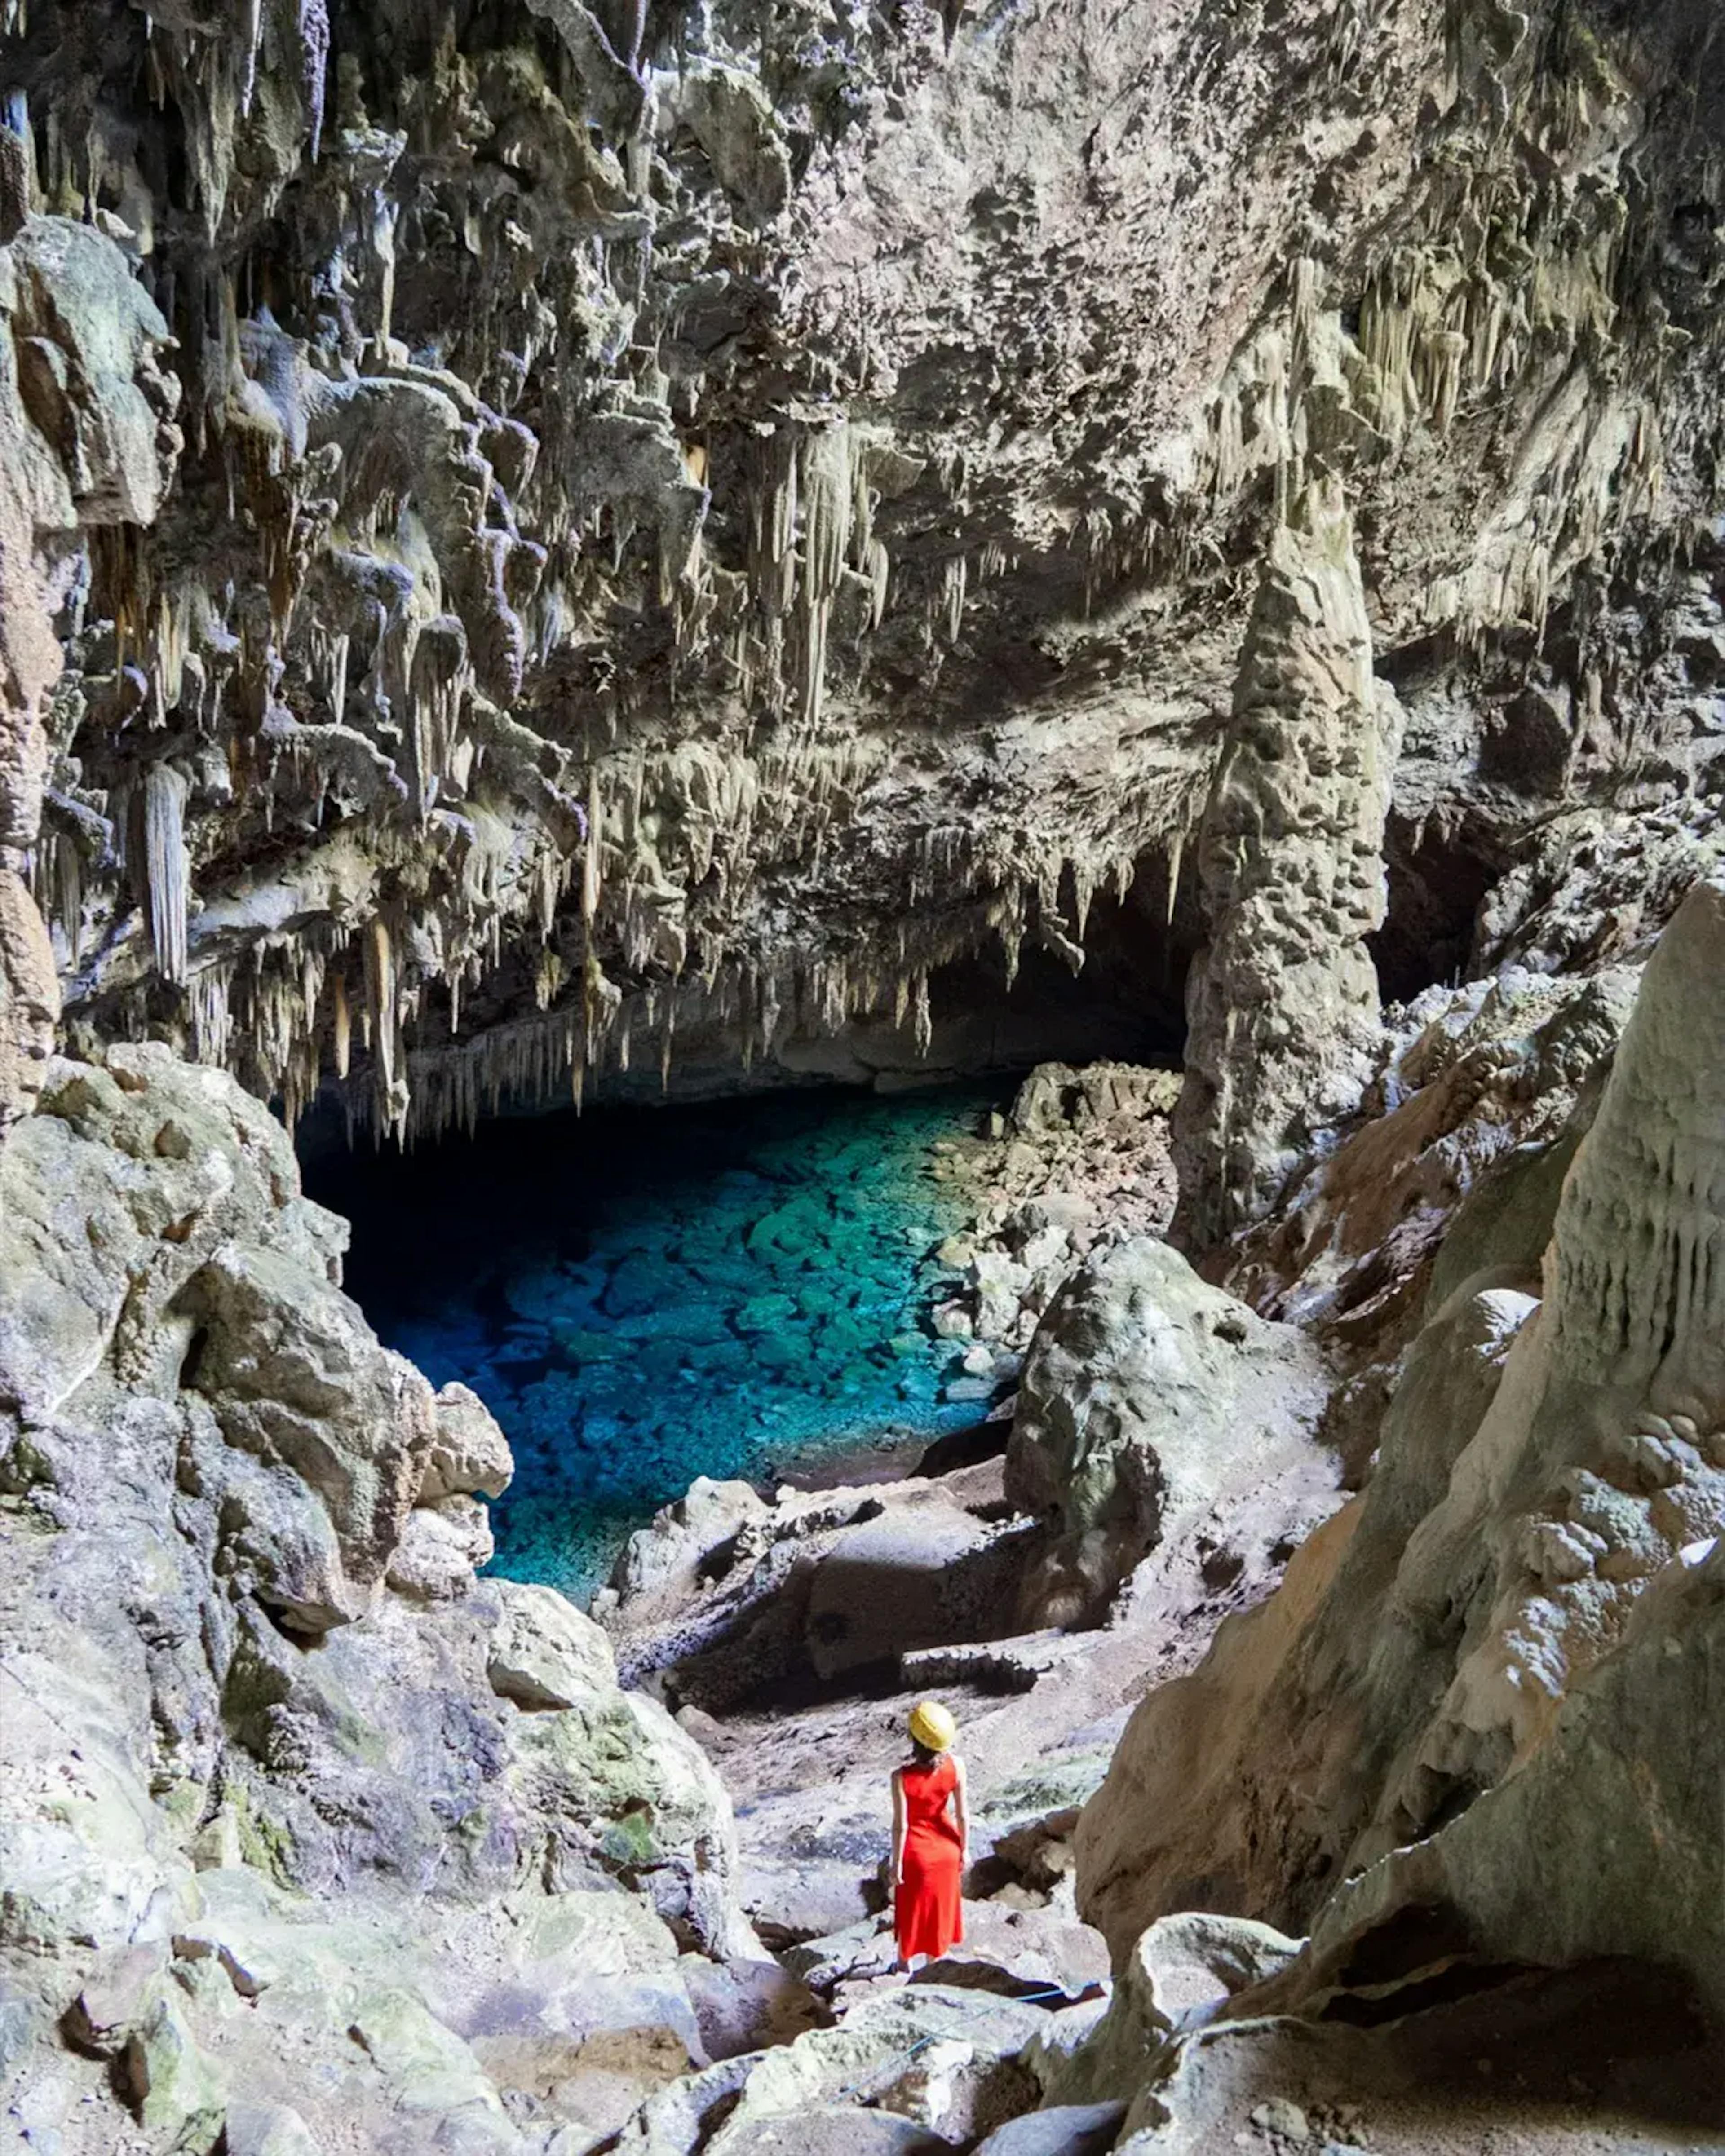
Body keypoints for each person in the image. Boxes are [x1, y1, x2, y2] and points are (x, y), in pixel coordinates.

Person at [890, 1698, 967, 1971]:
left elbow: (901, 1826)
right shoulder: (957, 1766)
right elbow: (962, 1815)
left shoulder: (901, 1777)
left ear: (914, 1740)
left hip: (917, 1851)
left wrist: (896, 1864)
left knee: (911, 1906)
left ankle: (904, 1962)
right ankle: (935, 1964)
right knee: (939, 1907)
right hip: (948, 1848)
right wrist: (965, 1850)